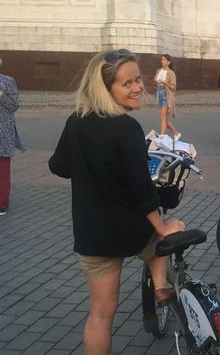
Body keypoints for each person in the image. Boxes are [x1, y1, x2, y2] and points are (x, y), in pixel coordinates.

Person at [48, 49, 185, 354]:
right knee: (166, 234)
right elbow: (141, 191)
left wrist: (89, 164)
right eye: (127, 84)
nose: (138, 87)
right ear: (105, 87)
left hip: (94, 236)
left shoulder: (76, 121)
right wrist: (162, 227)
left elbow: (59, 166)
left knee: (99, 316)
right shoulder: (126, 128)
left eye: (138, 79)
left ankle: (160, 281)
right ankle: (161, 283)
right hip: (132, 230)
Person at [0, 56, 24, 216]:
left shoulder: (7, 81)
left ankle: (2, 203)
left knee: (2, 169)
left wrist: (2, 95)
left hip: (2, 132)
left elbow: (14, 105)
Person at [154, 54, 180, 140]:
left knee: (164, 117)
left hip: (166, 94)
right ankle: (176, 134)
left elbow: (173, 87)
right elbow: (155, 84)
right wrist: (156, 82)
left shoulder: (171, 73)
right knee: (162, 117)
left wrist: (165, 82)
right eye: (161, 60)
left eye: (164, 60)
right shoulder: (158, 71)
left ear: (168, 62)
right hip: (159, 93)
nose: (162, 61)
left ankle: (162, 136)